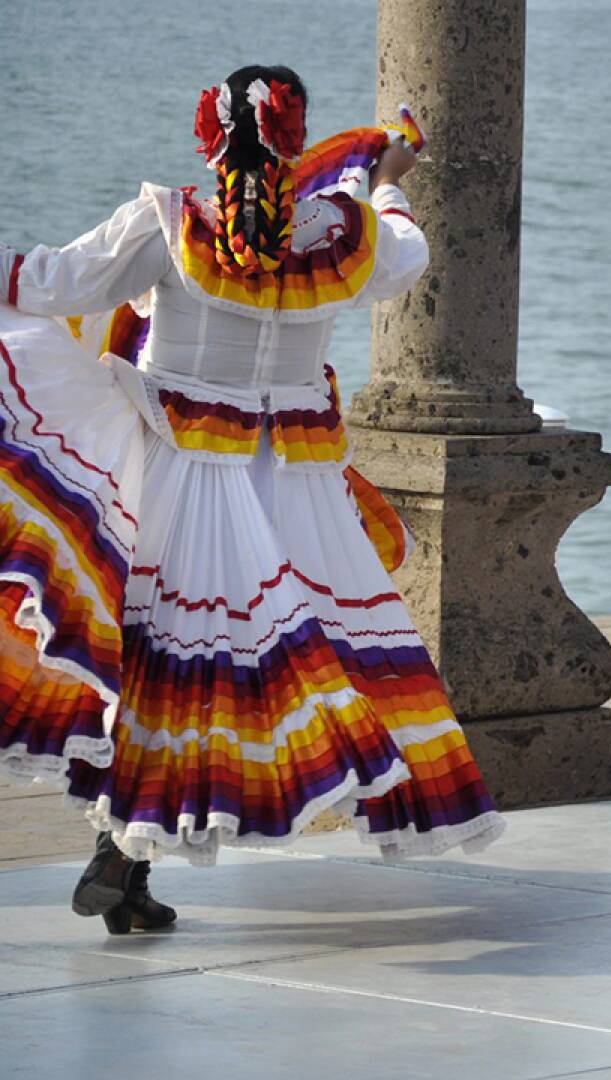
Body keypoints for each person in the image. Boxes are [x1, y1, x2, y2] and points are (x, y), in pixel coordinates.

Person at [0, 66, 504, 934]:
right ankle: (126, 860)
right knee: (317, 660)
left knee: (166, 672)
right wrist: (383, 184)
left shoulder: (170, 225)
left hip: (182, 477)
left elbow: (48, 283)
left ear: (211, 134)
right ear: (296, 141)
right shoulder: (342, 233)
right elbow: (405, 254)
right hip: (296, 486)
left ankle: (119, 858)